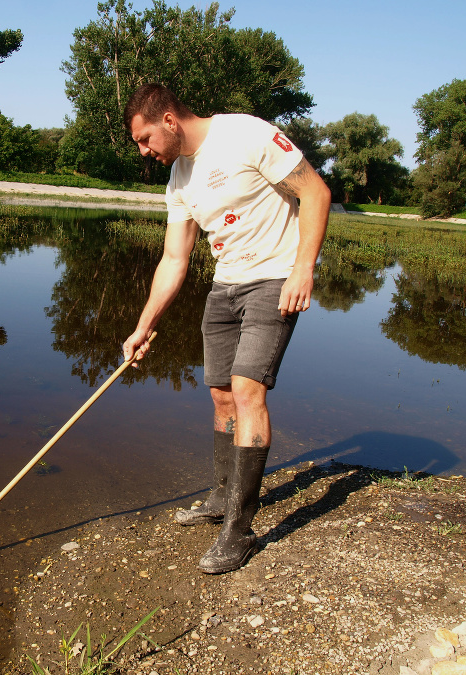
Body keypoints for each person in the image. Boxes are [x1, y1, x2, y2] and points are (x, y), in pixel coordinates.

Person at [121, 84, 330, 575]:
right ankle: (221, 494)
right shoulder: (179, 179)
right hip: (225, 286)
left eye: (146, 139)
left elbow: (315, 191)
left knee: (247, 390)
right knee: (220, 396)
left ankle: (239, 529)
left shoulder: (245, 133)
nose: (144, 152)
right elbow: (175, 258)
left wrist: (304, 268)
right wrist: (142, 326)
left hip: (273, 280)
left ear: (169, 120)